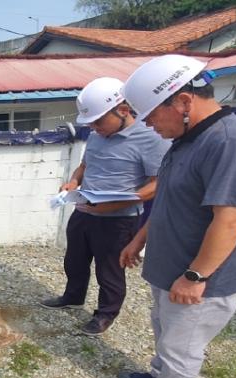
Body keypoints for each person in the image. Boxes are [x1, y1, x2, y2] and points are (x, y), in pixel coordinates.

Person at [112, 54, 236, 378]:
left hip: (199, 277)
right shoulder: (188, 140)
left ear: (183, 101)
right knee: (165, 329)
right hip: (172, 266)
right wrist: (140, 239)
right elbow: (170, 199)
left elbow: (233, 218)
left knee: (182, 342)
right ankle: (159, 376)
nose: (148, 125)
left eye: (151, 115)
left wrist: (196, 275)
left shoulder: (233, 142)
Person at [41, 77, 170, 336]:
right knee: (74, 259)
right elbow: (84, 166)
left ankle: (105, 313)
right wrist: (73, 183)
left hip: (119, 219)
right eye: (90, 123)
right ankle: (73, 296)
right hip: (84, 209)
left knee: (109, 270)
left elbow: (157, 184)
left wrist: (114, 204)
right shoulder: (97, 135)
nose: (94, 127)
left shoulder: (151, 138)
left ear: (122, 110)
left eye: (98, 121)